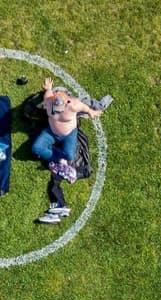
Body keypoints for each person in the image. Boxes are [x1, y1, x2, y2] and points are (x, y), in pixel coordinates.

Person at [34, 78, 102, 224]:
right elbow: (48, 94)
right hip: (51, 132)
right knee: (36, 148)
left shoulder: (75, 104)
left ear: (68, 102)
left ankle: (60, 159)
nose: (56, 111)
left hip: (69, 134)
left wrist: (91, 112)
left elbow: (85, 108)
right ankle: (59, 159)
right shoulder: (49, 100)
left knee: (70, 155)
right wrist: (48, 88)